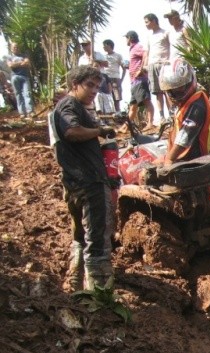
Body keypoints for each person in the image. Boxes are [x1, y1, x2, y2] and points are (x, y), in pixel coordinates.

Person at [49, 65, 116, 292]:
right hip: (88, 181)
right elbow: (71, 132)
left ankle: (76, 283)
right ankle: (99, 295)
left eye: (97, 87)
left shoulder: (74, 106)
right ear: (74, 84)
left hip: (76, 182)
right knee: (98, 239)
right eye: (89, 85)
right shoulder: (69, 105)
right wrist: (99, 130)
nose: (94, 90)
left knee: (80, 235)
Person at [158, 57, 210, 166]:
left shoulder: (197, 105)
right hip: (186, 158)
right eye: (173, 90)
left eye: (180, 88)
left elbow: (184, 137)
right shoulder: (186, 103)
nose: (176, 92)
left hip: (199, 160)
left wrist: (169, 159)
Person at [124, 31, 155, 130]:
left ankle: (150, 123)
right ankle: (125, 127)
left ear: (130, 38)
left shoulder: (137, 47)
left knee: (147, 101)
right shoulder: (132, 49)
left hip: (140, 80)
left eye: (126, 38)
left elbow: (146, 54)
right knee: (133, 106)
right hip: (134, 81)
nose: (125, 40)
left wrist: (142, 69)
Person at [143, 13, 171, 123]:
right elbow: (147, 52)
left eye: (147, 22)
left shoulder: (165, 33)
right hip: (152, 65)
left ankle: (172, 114)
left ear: (154, 20)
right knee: (157, 92)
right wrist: (145, 66)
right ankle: (162, 117)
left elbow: (171, 47)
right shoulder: (149, 36)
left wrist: (169, 61)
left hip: (164, 64)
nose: (146, 25)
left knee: (167, 91)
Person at [78, 41, 113, 115]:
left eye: (86, 45)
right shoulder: (82, 59)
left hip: (100, 80)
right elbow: (80, 70)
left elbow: (106, 64)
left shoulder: (98, 54)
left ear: (90, 45)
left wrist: (96, 61)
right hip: (88, 81)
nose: (85, 47)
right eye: (83, 45)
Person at [6, 42, 34, 117]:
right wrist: (21, 63)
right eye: (14, 47)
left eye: (17, 47)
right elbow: (10, 65)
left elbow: (27, 63)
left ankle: (30, 111)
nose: (16, 48)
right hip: (14, 77)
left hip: (25, 77)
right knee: (18, 95)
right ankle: (22, 113)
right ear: (11, 49)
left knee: (27, 93)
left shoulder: (24, 55)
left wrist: (16, 64)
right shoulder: (9, 57)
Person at [102, 39, 126, 112]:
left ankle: (118, 114)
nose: (103, 47)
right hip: (106, 79)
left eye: (104, 45)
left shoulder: (118, 56)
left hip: (115, 78)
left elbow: (124, 68)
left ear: (109, 45)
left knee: (116, 98)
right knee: (107, 98)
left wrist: (121, 79)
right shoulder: (103, 57)